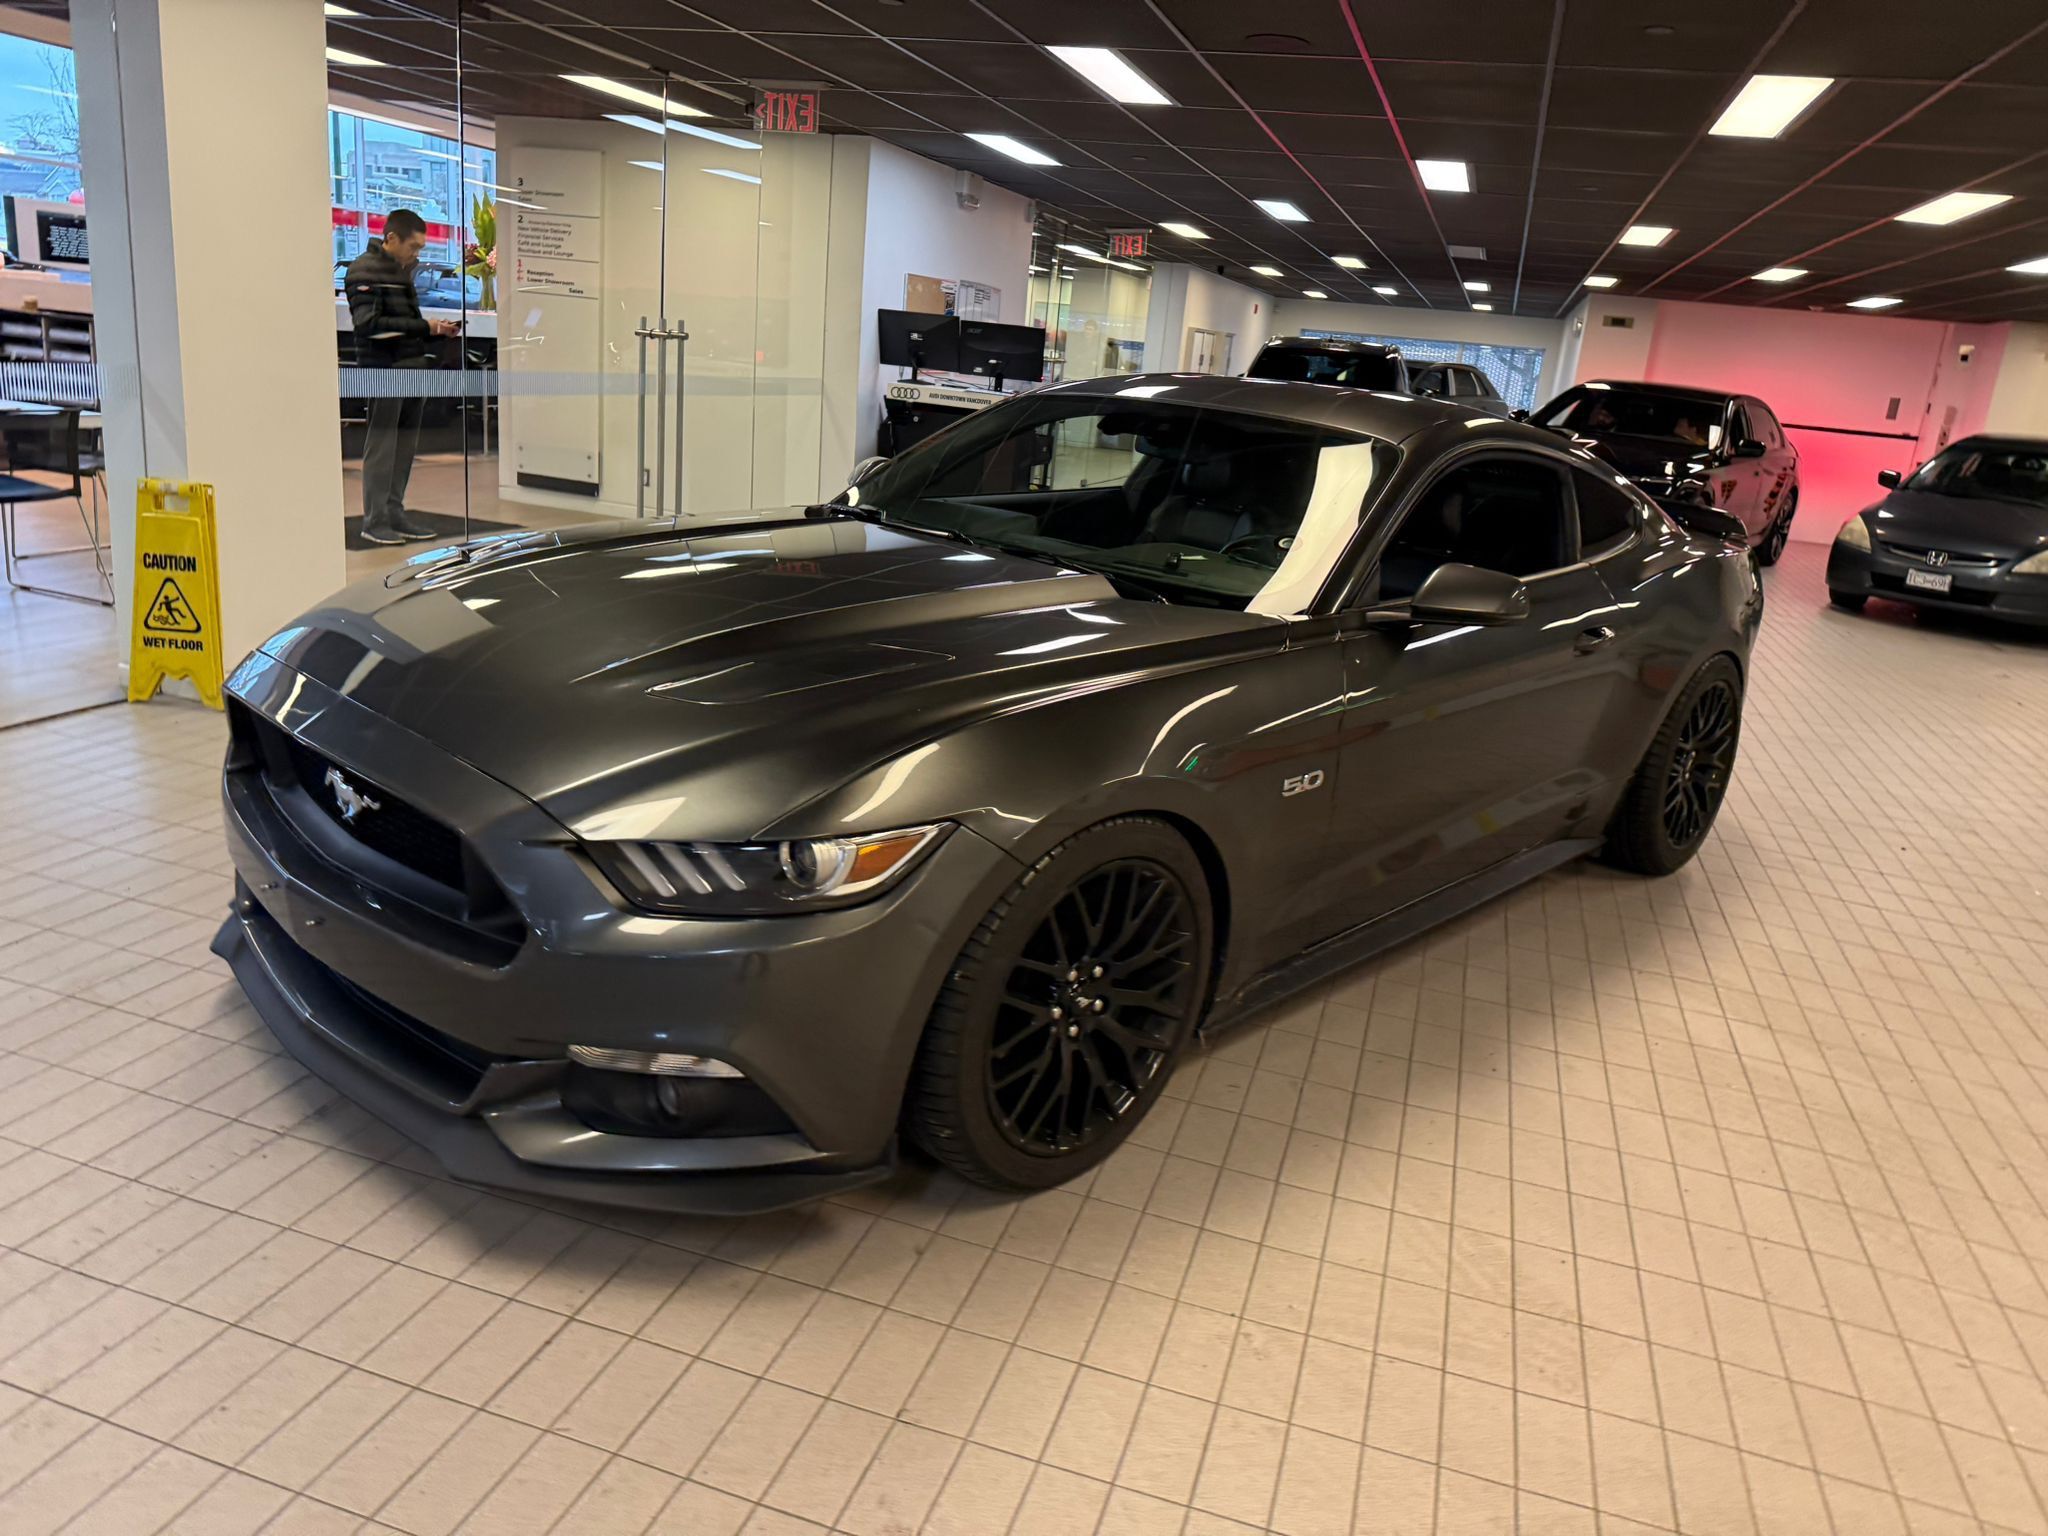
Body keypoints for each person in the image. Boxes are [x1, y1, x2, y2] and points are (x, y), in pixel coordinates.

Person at [345, 209, 457, 545]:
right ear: (391, 237)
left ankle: (394, 513)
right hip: (385, 371)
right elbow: (368, 325)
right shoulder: (364, 269)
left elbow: (398, 323)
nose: (417, 253)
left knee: (403, 446)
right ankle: (375, 519)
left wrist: (433, 332)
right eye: (413, 246)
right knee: (382, 446)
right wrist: (427, 327)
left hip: (410, 368)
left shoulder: (400, 271)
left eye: (421, 248)